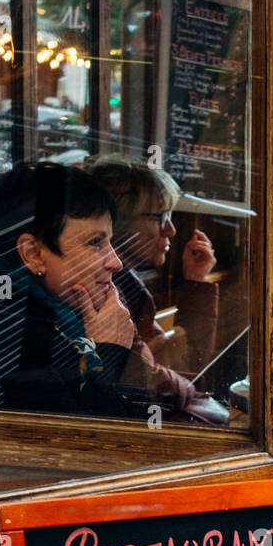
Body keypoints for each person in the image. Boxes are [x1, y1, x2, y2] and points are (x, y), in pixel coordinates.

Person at [0, 161, 139, 415]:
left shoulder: (47, 310)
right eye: (96, 242)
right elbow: (79, 438)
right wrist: (107, 351)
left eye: (110, 241)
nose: (115, 262)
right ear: (34, 254)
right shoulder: (2, 327)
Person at [85, 157, 227, 423]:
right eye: (159, 216)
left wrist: (195, 281)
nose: (171, 229)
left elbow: (185, 368)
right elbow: (154, 383)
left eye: (170, 216)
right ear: (116, 221)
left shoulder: (126, 281)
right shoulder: (99, 289)